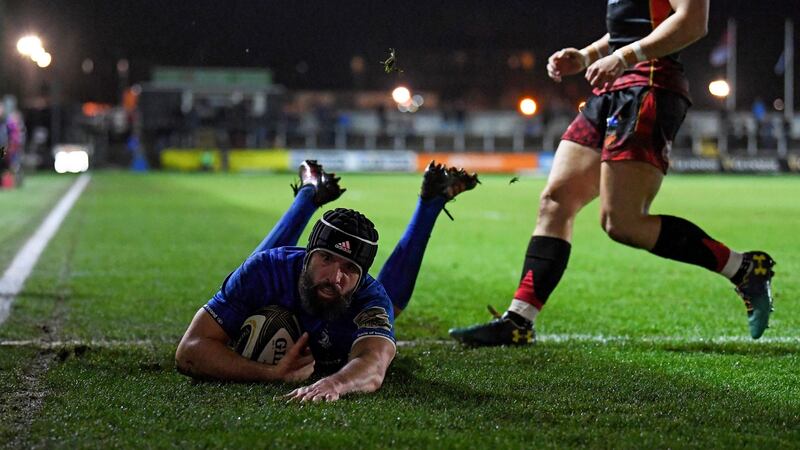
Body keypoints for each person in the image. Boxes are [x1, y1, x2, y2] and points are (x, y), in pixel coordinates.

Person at [450, 0, 776, 346]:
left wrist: (624, 58)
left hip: (649, 86)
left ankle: (744, 269)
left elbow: (692, 21)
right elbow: (630, 30)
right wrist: (586, 55)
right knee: (555, 200)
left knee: (622, 222)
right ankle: (518, 321)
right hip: (613, 89)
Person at [176, 160, 479, 401]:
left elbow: (374, 365)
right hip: (273, 272)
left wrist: (336, 383)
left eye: (350, 268)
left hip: (350, 313)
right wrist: (270, 373)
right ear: (307, 256)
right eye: (326, 258)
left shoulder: (370, 298)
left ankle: (430, 203)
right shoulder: (268, 269)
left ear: (363, 278)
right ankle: (310, 192)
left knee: (390, 308)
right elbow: (189, 351)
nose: (334, 276)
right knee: (258, 266)